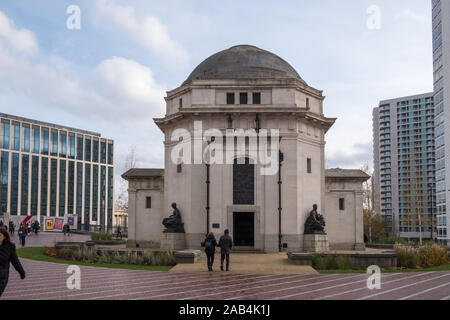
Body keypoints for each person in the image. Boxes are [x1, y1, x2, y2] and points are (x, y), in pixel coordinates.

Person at [0, 228, 25, 296]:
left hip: (1, 277)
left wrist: (22, 273)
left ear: (4, 236)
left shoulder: (10, 246)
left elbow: (15, 261)